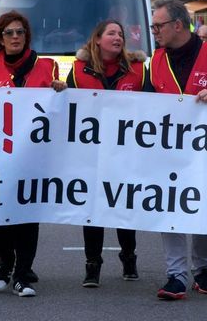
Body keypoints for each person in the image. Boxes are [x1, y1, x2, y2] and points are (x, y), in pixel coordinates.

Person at [0, 11, 66, 297]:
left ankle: (22, 276)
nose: (15, 37)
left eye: (20, 32)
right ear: (1, 37)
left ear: (27, 36)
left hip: (33, 157)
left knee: (28, 215)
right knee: (1, 213)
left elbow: (61, 108)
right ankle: (5, 263)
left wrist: (61, 90)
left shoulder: (48, 66)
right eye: (9, 33)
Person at [147, 0, 207, 300]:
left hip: (206, 149)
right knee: (170, 208)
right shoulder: (155, 59)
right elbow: (142, 105)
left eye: (158, 25)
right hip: (167, 149)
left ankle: (202, 268)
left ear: (177, 25)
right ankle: (176, 275)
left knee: (202, 208)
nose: (154, 31)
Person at [67, 20, 146, 287]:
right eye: (112, 33)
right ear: (97, 39)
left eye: (121, 34)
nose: (118, 37)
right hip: (91, 153)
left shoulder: (137, 71)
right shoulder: (78, 71)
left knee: (124, 206)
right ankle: (92, 264)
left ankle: (129, 256)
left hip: (127, 152)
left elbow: (154, 107)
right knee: (93, 209)